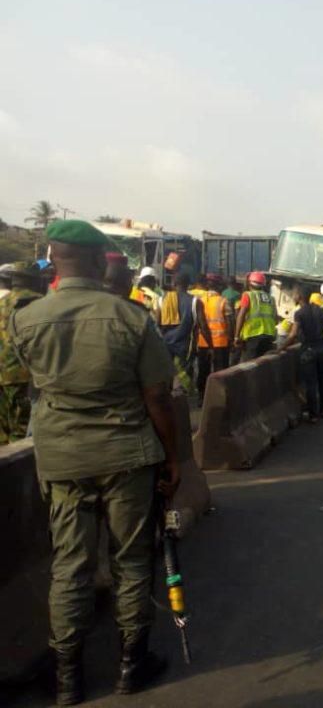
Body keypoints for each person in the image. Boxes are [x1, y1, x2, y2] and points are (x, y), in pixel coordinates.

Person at [9, 220, 179, 705]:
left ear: (54, 257)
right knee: (129, 561)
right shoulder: (129, 318)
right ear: (93, 259)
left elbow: (35, 379)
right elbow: (157, 397)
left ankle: (68, 679)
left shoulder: (26, 319)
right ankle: (131, 665)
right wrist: (172, 459)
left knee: (70, 568)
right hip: (127, 457)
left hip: (63, 461)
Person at [0, 262, 43, 444]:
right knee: (21, 429)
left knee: (3, 429)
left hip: (2, 374)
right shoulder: (38, 303)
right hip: (23, 375)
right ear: (36, 280)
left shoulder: (2, 302)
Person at [281, 287, 323, 423]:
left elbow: (292, 334)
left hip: (308, 350)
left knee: (311, 384)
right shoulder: (321, 311)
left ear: (300, 296)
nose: (294, 296)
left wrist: (280, 348)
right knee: (322, 380)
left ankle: (313, 415)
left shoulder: (299, 313)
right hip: (322, 348)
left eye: (295, 294)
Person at [195, 274, 232, 403]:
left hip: (203, 342)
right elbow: (229, 323)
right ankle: (219, 399)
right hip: (221, 343)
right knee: (220, 372)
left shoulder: (198, 300)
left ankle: (201, 397)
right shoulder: (223, 301)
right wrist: (231, 340)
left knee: (203, 370)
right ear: (219, 286)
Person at [234, 271, 278, 361]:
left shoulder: (248, 295)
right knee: (263, 365)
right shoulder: (271, 298)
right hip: (268, 336)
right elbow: (276, 319)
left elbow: (241, 315)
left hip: (253, 335)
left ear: (249, 283)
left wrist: (237, 336)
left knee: (249, 365)